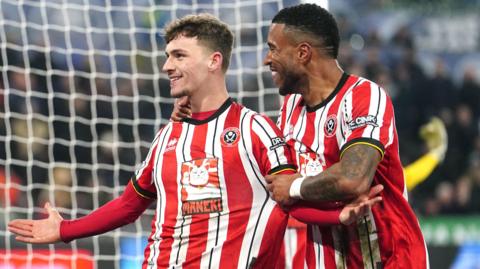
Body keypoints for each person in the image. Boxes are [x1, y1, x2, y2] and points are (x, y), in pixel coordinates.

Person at [8, 14, 382, 269]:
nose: (167, 66)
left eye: (178, 55)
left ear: (213, 61)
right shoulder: (168, 135)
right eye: (167, 56)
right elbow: (128, 205)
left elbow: (289, 201)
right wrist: (64, 230)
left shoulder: (256, 131)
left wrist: (338, 216)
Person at [262, 4, 428, 268]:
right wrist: (336, 214)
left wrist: (295, 186)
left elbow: (353, 178)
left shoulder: (364, 96)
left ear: (303, 53)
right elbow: (282, 196)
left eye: (273, 48)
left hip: (389, 258)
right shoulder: (290, 111)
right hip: (325, 261)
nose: (267, 59)